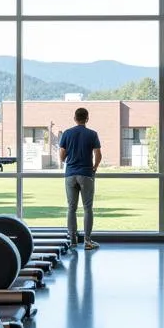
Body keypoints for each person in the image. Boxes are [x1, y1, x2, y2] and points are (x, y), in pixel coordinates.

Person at [58, 107, 102, 250]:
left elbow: (62, 155)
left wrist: (68, 161)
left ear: (75, 118)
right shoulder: (92, 134)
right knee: (88, 208)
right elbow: (98, 154)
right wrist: (94, 167)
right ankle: (88, 242)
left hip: (70, 174)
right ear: (87, 118)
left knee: (71, 208)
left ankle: (72, 241)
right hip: (86, 174)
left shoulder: (67, 133)